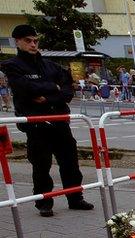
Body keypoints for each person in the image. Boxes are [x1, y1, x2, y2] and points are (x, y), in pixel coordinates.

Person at [2, 24, 93, 217]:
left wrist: (49, 95)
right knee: (41, 165)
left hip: (60, 121)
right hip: (37, 124)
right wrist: (54, 88)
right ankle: (44, 201)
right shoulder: (13, 66)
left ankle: (75, 197)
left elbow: (68, 89)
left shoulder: (50, 65)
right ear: (17, 42)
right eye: (28, 41)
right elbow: (26, 90)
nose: (33, 44)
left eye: (35, 40)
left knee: (70, 162)